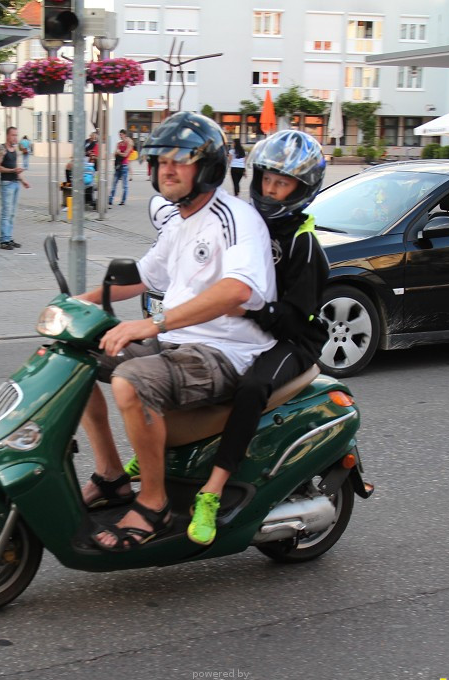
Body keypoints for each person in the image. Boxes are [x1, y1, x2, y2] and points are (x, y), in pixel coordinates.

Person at [75, 111, 277, 552]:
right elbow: (146, 275)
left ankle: (153, 502)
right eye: (160, 159)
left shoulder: (234, 218)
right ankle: (111, 477)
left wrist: (153, 322)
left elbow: (237, 289)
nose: (167, 168)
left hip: (225, 351)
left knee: (131, 383)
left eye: (180, 159)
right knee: (75, 358)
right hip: (179, 341)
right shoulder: (181, 220)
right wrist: (82, 302)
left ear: (206, 167)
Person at [186, 130, 330, 544]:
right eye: (267, 179)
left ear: (301, 189)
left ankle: (212, 492)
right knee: (187, 361)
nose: (270, 190)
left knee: (250, 387)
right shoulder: (250, 227)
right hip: (254, 326)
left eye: (281, 184)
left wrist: (250, 309)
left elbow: (292, 320)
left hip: (294, 341)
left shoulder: (303, 246)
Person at [0, 126, 30, 250]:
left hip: (15, 183)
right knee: (6, 212)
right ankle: (4, 240)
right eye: (13, 135)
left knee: (12, 213)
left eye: (16, 135)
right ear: (8, 136)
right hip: (6, 184)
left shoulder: (15, 150)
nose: (15, 138)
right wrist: (12, 170)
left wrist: (23, 180)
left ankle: (9, 237)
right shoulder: (2, 149)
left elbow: (16, 168)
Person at [109, 129, 134, 206]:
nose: (120, 136)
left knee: (124, 185)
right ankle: (110, 200)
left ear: (125, 135)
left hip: (124, 165)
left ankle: (123, 200)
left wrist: (118, 152)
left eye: (121, 134)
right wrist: (118, 152)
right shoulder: (119, 143)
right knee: (114, 184)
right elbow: (114, 154)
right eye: (119, 134)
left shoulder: (128, 143)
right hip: (118, 166)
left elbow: (125, 155)